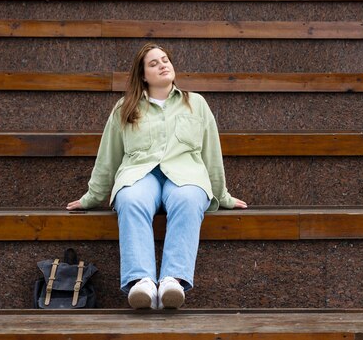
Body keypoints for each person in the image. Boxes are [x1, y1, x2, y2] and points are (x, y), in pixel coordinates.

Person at [66, 43, 247, 309]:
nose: (163, 65)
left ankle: (173, 280)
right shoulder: (124, 108)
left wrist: (223, 196)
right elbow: (109, 156)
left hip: (185, 175)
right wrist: (93, 197)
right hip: (140, 174)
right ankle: (143, 283)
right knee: (129, 198)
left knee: (188, 199)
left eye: (165, 60)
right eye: (153, 63)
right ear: (142, 75)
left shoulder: (196, 103)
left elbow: (211, 155)